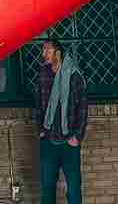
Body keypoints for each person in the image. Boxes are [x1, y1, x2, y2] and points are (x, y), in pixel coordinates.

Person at [35, 36, 87, 204]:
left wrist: (77, 137)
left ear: (57, 52)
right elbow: (39, 104)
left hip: (68, 140)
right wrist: (41, 131)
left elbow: (82, 107)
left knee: (73, 188)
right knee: (47, 187)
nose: (44, 53)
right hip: (48, 139)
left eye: (47, 49)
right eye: (43, 50)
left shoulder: (74, 75)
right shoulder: (43, 74)